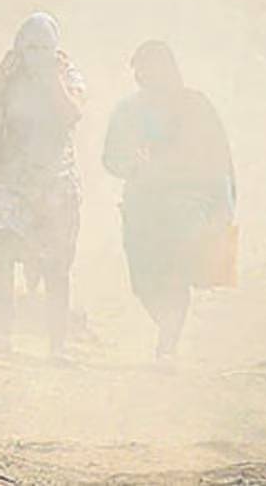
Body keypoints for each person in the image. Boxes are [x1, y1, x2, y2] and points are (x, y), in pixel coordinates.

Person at [103, 41, 237, 361]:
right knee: (143, 282)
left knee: (176, 275)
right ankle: (168, 328)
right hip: (141, 207)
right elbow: (110, 158)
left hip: (188, 205)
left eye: (151, 68)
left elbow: (220, 157)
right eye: (140, 70)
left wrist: (225, 206)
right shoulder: (128, 111)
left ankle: (169, 342)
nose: (145, 76)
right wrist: (130, 164)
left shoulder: (196, 105)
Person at [0, 12, 85, 359]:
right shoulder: (10, 73)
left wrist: (52, 78)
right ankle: (3, 329)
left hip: (54, 181)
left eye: (43, 47)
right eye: (29, 46)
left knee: (55, 264)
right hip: (7, 179)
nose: (35, 53)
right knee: (1, 246)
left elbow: (72, 114)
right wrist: (5, 73)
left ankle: (57, 344)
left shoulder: (67, 74)